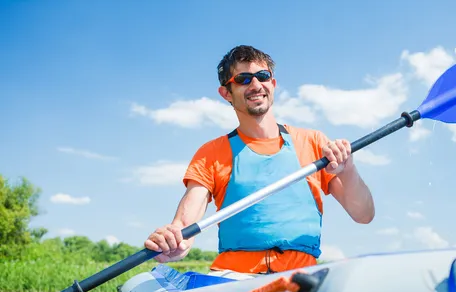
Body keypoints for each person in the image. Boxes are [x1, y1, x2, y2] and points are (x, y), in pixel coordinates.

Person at [144, 45, 375, 276]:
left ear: (272, 84)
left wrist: (348, 170)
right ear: (226, 93)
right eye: (243, 79)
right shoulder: (211, 152)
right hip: (233, 278)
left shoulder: (314, 143)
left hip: (300, 278)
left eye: (262, 76)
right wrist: (174, 241)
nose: (255, 85)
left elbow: (364, 215)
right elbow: (184, 225)